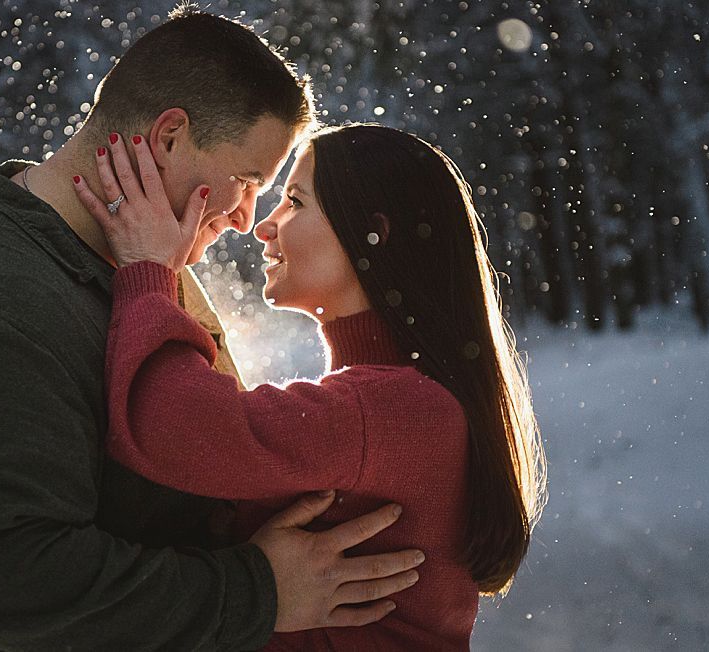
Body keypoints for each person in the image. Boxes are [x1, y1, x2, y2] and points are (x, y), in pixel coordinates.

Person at [0, 9, 427, 651]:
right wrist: (258, 592)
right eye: (247, 182)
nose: (248, 219)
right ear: (168, 139)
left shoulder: (150, 263)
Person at [72, 123, 548, 649]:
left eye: (293, 202)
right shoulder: (395, 401)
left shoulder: (394, 409)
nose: (263, 227)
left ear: (375, 233)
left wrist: (150, 270)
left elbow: (173, 425)